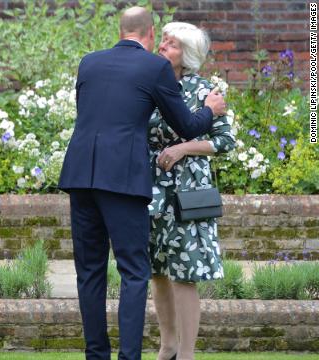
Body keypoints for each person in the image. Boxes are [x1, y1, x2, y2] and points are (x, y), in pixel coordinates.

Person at [58, 6, 227, 360]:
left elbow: (94, 115)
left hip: (80, 176)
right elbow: (187, 126)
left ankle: (96, 356)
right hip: (123, 179)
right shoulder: (155, 68)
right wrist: (210, 110)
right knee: (134, 271)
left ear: (121, 30)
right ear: (149, 33)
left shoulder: (89, 62)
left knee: (89, 272)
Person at [147, 22, 235, 360]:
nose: (163, 46)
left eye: (171, 44)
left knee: (185, 274)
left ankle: (187, 353)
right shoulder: (150, 87)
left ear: (188, 56)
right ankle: (167, 345)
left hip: (188, 194)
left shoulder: (204, 91)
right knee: (157, 271)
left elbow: (225, 141)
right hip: (153, 192)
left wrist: (184, 148)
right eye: (164, 40)